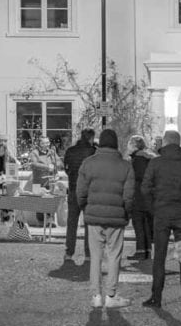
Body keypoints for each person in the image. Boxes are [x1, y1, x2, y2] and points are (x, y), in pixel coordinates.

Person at [139, 130, 181, 310]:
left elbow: (145, 188)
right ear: (179, 143)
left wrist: (154, 207)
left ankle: (156, 297)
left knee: (159, 257)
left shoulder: (155, 163)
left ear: (165, 143)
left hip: (161, 213)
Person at [75, 129, 135, 309]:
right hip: (116, 217)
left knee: (95, 256)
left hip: (94, 216)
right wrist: (126, 213)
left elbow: (80, 192)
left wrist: (86, 208)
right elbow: (129, 196)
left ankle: (95, 295)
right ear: (116, 144)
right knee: (114, 256)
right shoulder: (125, 166)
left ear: (100, 143)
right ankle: (111, 294)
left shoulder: (88, 163)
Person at [62, 128, 96, 263]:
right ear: (91, 138)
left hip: (73, 189)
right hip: (88, 192)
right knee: (89, 224)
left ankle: (69, 253)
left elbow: (66, 169)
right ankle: (88, 254)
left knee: (72, 223)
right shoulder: (93, 152)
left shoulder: (70, 151)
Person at [125, 135, 154, 262]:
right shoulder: (149, 158)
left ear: (134, 146)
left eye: (130, 144)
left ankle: (140, 250)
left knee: (138, 223)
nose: (128, 146)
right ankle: (147, 250)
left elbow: (134, 179)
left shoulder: (137, 160)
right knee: (147, 224)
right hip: (149, 196)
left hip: (138, 195)